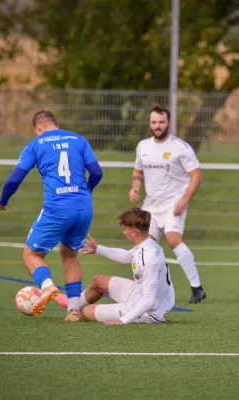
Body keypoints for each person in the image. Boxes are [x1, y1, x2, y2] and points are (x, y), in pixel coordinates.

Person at [0, 110, 103, 322]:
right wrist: (85, 192)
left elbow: (14, 179)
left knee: (31, 255)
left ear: (38, 129)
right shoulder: (78, 140)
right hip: (83, 207)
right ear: (56, 124)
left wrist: (3, 200)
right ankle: (73, 310)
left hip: (57, 208)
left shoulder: (35, 144)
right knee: (70, 256)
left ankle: (48, 286)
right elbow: (97, 173)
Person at [130, 105, 206, 304]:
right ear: (150, 124)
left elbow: (196, 176)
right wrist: (135, 188)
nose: (157, 126)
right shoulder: (143, 146)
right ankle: (144, 289)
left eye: (161, 122)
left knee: (173, 240)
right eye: (154, 122)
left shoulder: (180, 147)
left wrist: (184, 200)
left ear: (169, 123)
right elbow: (137, 172)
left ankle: (196, 287)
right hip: (151, 205)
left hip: (174, 203)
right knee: (143, 246)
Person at [56, 208, 175, 325]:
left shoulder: (149, 258)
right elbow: (126, 256)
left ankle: (157, 314)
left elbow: (149, 299)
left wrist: (123, 320)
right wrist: (97, 249)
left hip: (149, 310)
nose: (124, 232)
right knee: (98, 281)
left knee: (87, 312)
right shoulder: (147, 243)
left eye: (125, 229)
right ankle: (73, 306)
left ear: (134, 232)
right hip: (140, 293)